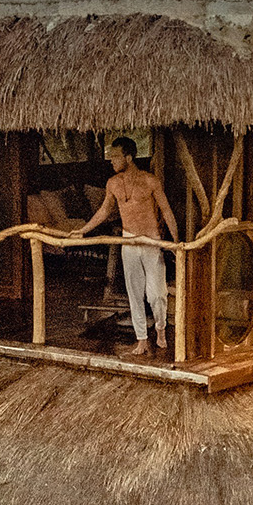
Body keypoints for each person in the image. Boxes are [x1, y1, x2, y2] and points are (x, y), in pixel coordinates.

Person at [78, 136, 181, 359]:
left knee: (156, 295)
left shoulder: (150, 181)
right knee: (134, 294)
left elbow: (167, 211)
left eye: (115, 156)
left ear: (129, 157)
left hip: (151, 240)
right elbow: (104, 212)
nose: (111, 160)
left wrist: (175, 242)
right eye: (111, 156)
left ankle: (160, 329)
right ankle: (142, 339)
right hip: (128, 241)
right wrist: (83, 230)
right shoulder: (113, 183)